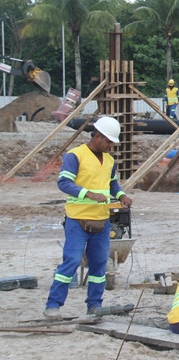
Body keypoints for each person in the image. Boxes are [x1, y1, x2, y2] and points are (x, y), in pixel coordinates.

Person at [45, 117, 133, 318]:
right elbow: (64, 183)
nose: (110, 146)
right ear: (98, 136)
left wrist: (122, 196)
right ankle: (53, 304)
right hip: (78, 220)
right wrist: (88, 194)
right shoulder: (75, 156)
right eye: (108, 141)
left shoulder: (109, 161)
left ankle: (94, 305)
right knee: (72, 261)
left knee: (99, 265)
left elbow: (112, 184)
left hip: (101, 221)